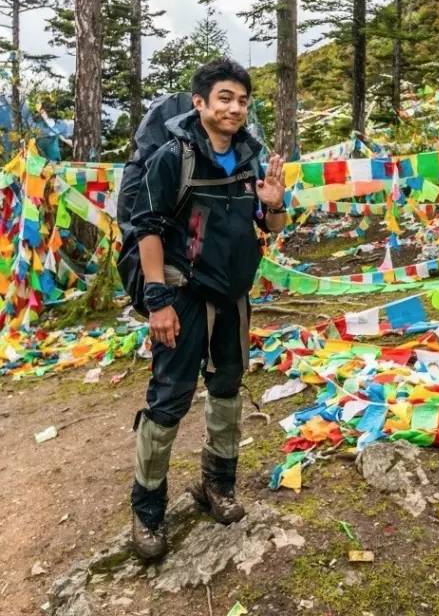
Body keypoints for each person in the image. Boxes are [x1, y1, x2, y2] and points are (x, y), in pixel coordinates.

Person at [128, 59, 286, 560]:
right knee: (170, 398)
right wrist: (157, 301)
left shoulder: (248, 158)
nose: (234, 108)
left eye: (241, 100)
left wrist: (275, 203)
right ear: (200, 103)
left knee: (226, 389)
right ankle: (147, 508)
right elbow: (147, 228)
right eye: (224, 98)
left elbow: (272, 228)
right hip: (181, 293)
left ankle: (217, 484)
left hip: (233, 296)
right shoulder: (173, 158)